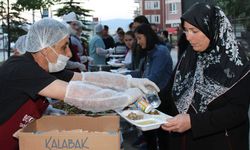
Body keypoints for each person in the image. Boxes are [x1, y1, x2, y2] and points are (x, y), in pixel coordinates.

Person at [0, 18, 160, 150]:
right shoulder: (21, 68)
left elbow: (87, 78)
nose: (69, 53)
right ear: (45, 49)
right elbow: (76, 94)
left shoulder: (44, 68)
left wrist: (129, 82)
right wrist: (124, 98)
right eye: (64, 47)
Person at [161, 3, 250, 150]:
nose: (188, 37)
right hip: (183, 141)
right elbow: (169, 92)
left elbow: (237, 112)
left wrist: (193, 122)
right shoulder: (189, 56)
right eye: (186, 31)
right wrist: (146, 100)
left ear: (213, 29)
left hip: (220, 142)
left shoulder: (236, 63)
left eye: (194, 31)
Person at [134, 23, 173, 150]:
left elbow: (153, 78)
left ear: (147, 36)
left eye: (139, 38)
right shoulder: (149, 52)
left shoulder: (160, 52)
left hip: (162, 98)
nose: (138, 42)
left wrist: (133, 86)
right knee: (148, 132)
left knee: (162, 134)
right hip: (151, 97)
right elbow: (144, 74)